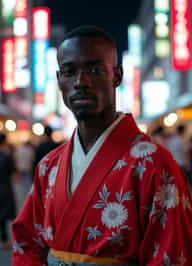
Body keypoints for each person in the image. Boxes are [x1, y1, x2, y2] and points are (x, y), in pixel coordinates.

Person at [12, 26, 192, 265]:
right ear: (58, 80)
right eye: (69, 71)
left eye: (95, 69)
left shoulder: (155, 164)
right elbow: (27, 244)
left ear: (117, 75)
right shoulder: (48, 166)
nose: (81, 82)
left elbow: (172, 254)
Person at [0, 132, 16, 248]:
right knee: (2, 214)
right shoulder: (6, 157)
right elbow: (12, 173)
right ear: (4, 141)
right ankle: (4, 240)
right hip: (4, 188)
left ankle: (4, 239)